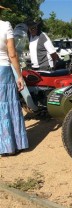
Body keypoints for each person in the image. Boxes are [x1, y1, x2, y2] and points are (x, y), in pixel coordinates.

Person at [0, 5, 28, 156]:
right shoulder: (5, 26)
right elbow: (12, 53)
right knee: (8, 105)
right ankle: (12, 145)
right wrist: (19, 75)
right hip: (3, 69)